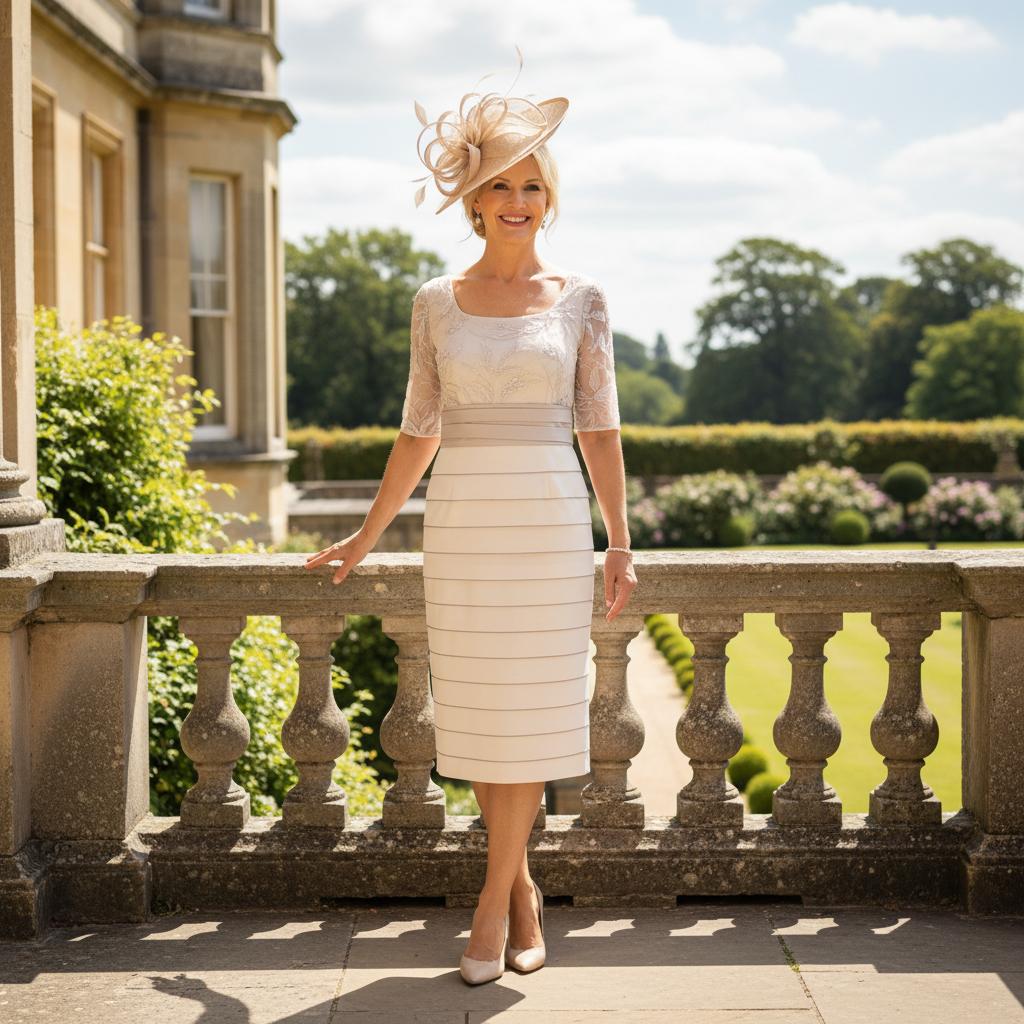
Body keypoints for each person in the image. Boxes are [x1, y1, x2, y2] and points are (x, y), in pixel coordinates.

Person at [304, 48, 636, 984]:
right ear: (476, 201)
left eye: (535, 184)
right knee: (489, 712)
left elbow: (600, 430)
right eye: (503, 185)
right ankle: (520, 889)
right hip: (464, 524)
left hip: (547, 520)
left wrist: (619, 542)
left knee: (532, 708)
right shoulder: (434, 304)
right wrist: (369, 534)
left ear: (548, 197)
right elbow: (418, 432)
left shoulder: (582, 301)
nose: (520, 200)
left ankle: (492, 903)